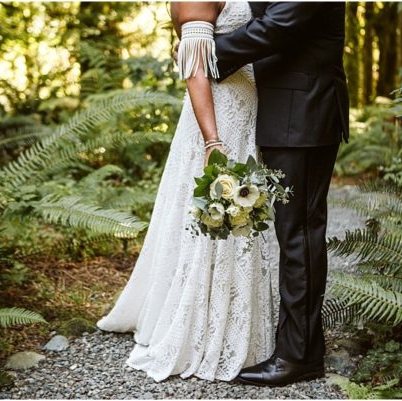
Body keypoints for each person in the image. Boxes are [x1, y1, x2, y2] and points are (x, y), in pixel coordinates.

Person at [96, 1, 281, 383]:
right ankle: (209, 324)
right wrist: (213, 140)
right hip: (220, 117)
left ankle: (244, 315)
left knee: (245, 219)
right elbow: (195, 67)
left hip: (248, 111)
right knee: (220, 219)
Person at [212, 2, 350, 386]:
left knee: (298, 235)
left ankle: (296, 356)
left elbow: (275, 27)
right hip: (290, 117)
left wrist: (208, 49)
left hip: (303, 116)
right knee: (295, 234)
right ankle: (304, 349)